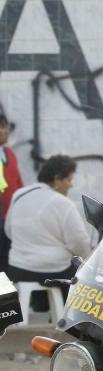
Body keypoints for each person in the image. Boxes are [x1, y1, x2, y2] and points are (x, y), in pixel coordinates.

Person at [5, 155, 91, 307]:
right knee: (82, 274)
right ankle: (66, 319)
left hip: (17, 268)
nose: (70, 185)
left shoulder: (19, 195)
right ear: (57, 179)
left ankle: (39, 307)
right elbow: (79, 243)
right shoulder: (63, 204)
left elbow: (9, 230)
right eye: (69, 180)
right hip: (51, 271)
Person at [0, 114, 23, 272]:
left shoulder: (9, 153)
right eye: (1, 127)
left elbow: (19, 184)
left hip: (11, 219)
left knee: (7, 264)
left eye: (6, 126)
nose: (6, 130)